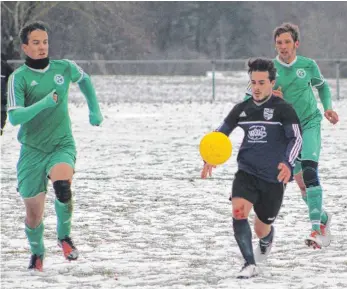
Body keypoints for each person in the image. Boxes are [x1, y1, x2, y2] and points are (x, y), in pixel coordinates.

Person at [7, 21, 103, 271]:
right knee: (34, 214)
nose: (42, 47)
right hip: (32, 151)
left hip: (61, 144)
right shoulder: (18, 78)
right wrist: (45, 103)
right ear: (25, 47)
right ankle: (38, 252)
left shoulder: (64, 67)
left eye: (45, 42)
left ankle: (64, 237)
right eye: (36, 43)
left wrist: (94, 110)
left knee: (63, 185)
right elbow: (15, 117)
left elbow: (85, 80)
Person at [201, 58, 302, 278]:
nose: (256, 88)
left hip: (273, 178)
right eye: (253, 82)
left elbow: (296, 139)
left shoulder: (284, 110)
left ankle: (266, 238)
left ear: (272, 83)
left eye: (262, 83)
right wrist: (209, 156)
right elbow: (219, 135)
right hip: (246, 173)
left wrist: (288, 163)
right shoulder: (241, 109)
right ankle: (249, 263)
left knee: (261, 228)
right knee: (238, 212)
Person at [245, 23, 339, 249]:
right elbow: (249, 99)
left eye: (287, 42)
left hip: (309, 124)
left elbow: (323, 87)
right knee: (303, 188)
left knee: (309, 170)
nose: (283, 47)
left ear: (296, 44)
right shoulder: (267, 71)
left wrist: (328, 107)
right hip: (286, 134)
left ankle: (317, 229)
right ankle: (323, 219)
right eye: (279, 43)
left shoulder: (308, 65)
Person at [1, 53, 14, 135]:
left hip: (2, 94)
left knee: (2, 110)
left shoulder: (4, 65)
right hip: (2, 93)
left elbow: (13, 77)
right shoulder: (4, 65)